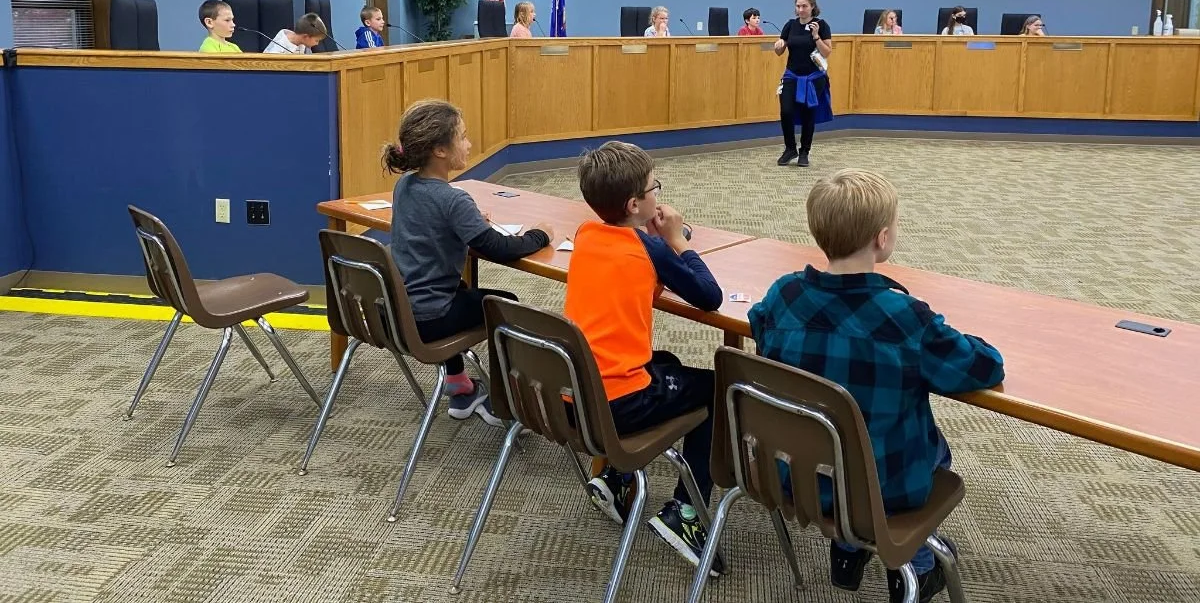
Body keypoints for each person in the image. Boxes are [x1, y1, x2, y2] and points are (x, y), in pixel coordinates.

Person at [749, 169, 1005, 603]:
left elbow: (759, 326)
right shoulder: (905, 317)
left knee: (845, 431)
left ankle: (847, 552)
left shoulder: (783, 294)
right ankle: (918, 570)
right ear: (883, 238)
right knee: (934, 448)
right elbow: (985, 366)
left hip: (798, 477)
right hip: (884, 491)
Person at [566, 141, 723, 571]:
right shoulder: (651, 248)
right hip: (617, 405)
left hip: (573, 397)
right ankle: (687, 513)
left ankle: (615, 479)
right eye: (655, 187)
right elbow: (709, 296)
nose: (659, 194)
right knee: (717, 389)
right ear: (635, 203)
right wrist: (675, 241)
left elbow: (632, 276)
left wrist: (654, 243)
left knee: (666, 360)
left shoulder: (585, 233)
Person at [384, 100, 553, 425]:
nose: (469, 144)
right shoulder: (453, 199)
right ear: (440, 151)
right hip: (431, 316)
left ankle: (459, 385)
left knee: (462, 288)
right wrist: (539, 235)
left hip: (401, 309)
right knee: (507, 305)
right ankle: (501, 404)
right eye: (462, 137)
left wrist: (468, 221)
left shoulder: (405, 185)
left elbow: (433, 224)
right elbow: (499, 248)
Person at [774, 0, 833, 168]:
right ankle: (790, 148)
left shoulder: (821, 25)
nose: (801, 10)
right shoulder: (790, 25)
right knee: (786, 112)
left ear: (813, 7)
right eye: (798, 6)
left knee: (808, 115)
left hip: (814, 77)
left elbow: (827, 52)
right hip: (792, 75)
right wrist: (778, 46)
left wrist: (816, 36)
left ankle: (804, 152)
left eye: (804, 6)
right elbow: (779, 50)